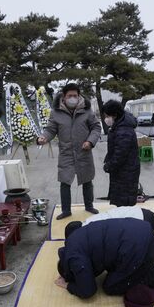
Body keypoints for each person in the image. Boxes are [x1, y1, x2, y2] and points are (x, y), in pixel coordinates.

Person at [55, 218, 154, 298]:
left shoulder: (75, 259)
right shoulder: (73, 240)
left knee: (111, 287)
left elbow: (88, 291)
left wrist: (69, 286)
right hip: (147, 233)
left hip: (141, 249)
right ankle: (145, 267)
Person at [37, 83, 102, 220]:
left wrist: (90, 142)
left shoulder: (87, 111)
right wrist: (44, 137)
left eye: (75, 96)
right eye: (69, 96)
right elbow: (50, 129)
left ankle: (89, 206)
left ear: (79, 96)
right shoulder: (56, 112)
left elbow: (96, 128)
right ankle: (66, 210)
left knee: (87, 179)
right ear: (64, 97)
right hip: (66, 152)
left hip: (84, 151)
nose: (72, 98)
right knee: (65, 181)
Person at [82, 206, 154, 253]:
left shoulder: (89, 229)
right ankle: (152, 240)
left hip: (145, 221)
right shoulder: (89, 222)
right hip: (144, 213)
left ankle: (153, 242)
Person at [102, 100, 140, 207]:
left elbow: (120, 154)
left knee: (124, 201)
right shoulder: (120, 125)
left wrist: (109, 166)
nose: (106, 118)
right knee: (121, 198)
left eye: (107, 115)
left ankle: (125, 220)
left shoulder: (124, 129)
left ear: (115, 115)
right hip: (124, 170)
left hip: (126, 171)